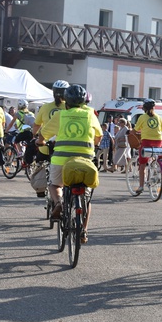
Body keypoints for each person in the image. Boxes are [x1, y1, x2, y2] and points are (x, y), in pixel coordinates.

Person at [38, 84, 102, 243]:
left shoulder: (60, 115)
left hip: (61, 159)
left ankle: (59, 203)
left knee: (54, 184)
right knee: (86, 197)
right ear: (82, 102)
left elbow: (42, 135)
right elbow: (99, 137)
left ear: (66, 101)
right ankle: (84, 231)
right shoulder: (90, 115)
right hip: (85, 160)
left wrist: (40, 142)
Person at [133, 98, 162, 194]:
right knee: (156, 156)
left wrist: (130, 132)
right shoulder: (158, 117)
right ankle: (156, 171)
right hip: (158, 141)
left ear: (144, 108)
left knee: (142, 164)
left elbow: (135, 130)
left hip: (146, 142)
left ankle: (141, 186)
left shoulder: (142, 117)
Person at [28, 80, 69, 164]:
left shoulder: (45, 107)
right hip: (64, 145)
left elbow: (37, 124)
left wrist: (34, 134)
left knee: (39, 170)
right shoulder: (70, 108)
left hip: (45, 145)